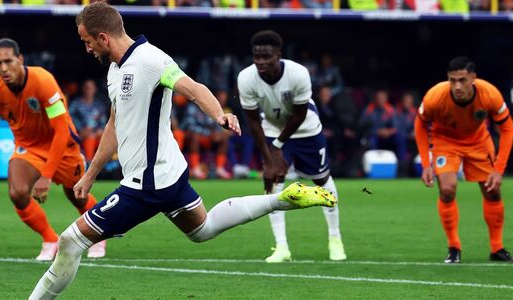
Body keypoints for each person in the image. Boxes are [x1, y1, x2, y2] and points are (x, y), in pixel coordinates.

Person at [29, 3, 336, 299]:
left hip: (146, 184)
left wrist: (219, 115)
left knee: (70, 241)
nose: (87, 49)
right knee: (203, 229)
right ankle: (281, 199)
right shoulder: (114, 70)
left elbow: (194, 88)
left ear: (103, 37)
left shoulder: (151, 60)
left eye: (87, 41)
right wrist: (91, 174)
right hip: (168, 174)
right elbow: (114, 123)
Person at [0, 38, 106, 261]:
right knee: (17, 193)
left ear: (20, 59)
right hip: (29, 148)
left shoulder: (43, 81)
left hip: (62, 145)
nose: (3, 68)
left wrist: (46, 175)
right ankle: (50, 239)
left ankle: (99, 234)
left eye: (8, 61)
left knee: (76, 195)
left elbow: (61, 130)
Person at [238, 30, 346, 263]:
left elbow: (299, 114)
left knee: (321, 180)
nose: (260, 62)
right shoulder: (246, 78)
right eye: (256, 57)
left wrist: (277, 145)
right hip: (272, 129)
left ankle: (335, 238)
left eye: (266, 57)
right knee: (272, 182)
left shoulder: (298, 74)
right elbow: (253, 120)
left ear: (279, 54)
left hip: (305, 129)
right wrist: (268, 158)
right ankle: (281, 247)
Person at [415, 57, 513, 263]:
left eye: (462, 80)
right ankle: (454, 247)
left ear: (473, 78)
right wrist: (426, 164)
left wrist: (499, 169)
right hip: (445, 141)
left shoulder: (489, 93)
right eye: (452, 80)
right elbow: (420, 125)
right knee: (447, 189)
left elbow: (508, 128)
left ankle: (496, 248)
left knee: (492, 191)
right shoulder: (435, 96)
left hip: (479, 142)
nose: (457, 86)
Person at [69, 79, 109, 162]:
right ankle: (89, 164)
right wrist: (81, 129)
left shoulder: (99, 105)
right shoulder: (76, 104)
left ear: (95, 89)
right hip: (81, 135)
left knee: (106, 138)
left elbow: (103, 122)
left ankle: (107, 166)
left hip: (98, 135)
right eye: (87, 88)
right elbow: (69, 118)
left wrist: (100, 130)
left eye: (91, 88)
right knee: (90, 138)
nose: (89, 90)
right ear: (83, 89)